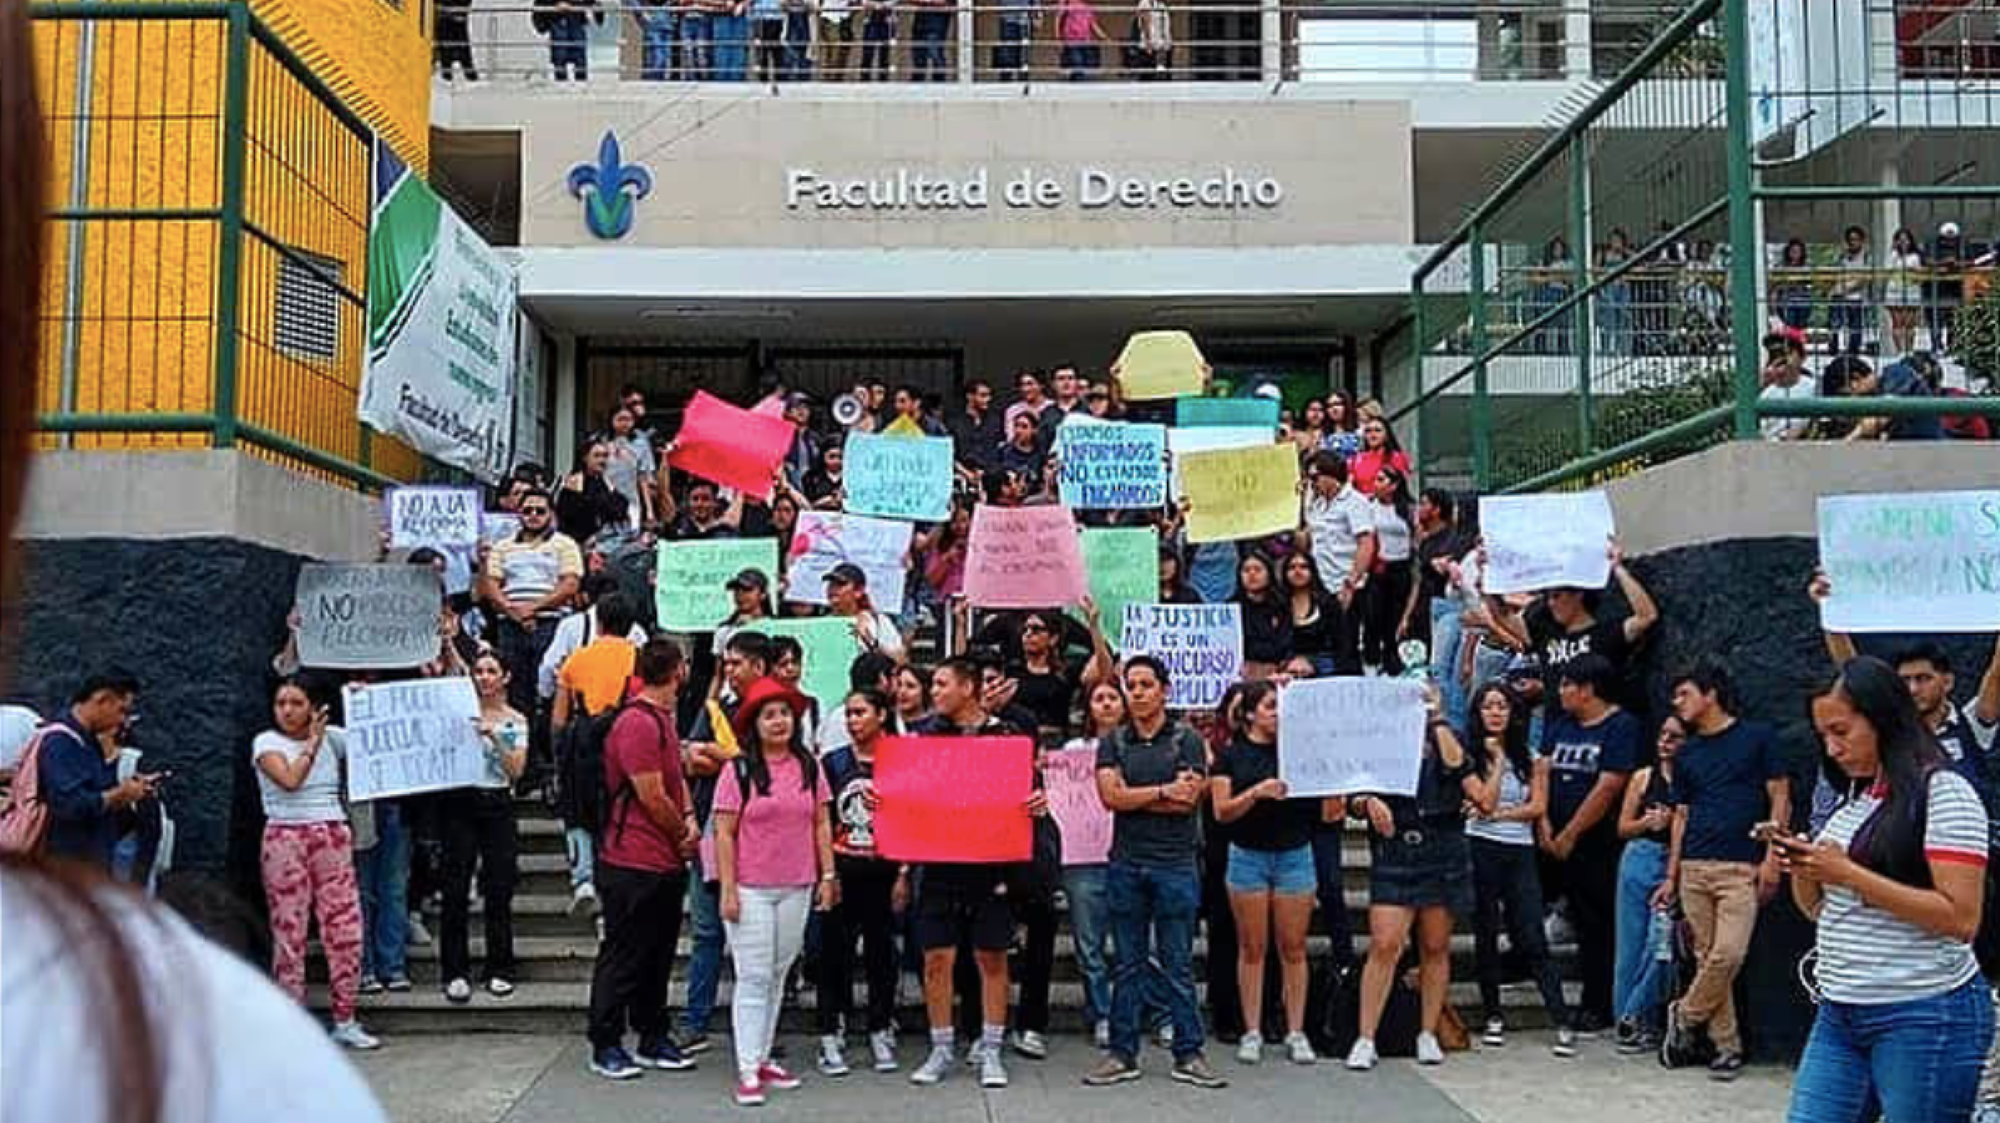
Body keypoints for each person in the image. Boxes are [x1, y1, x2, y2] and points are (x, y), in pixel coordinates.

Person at [1783, 657, 1991, 1122]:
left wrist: (1848, 873)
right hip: (1842, 1008)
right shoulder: (1854, 802)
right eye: (1823, 737)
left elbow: (1961, 918)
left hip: (1924, 1013)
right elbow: (1818, 911)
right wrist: (1804, 866)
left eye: (1841, 731)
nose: (1833, 749)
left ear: (1883, 720)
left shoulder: (1946, 795)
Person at [1083, 657, 1227, 1089]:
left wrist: (1137, 796)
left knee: (1177, 964)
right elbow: (1110, 798)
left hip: (1176, 864)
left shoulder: (1187, 739)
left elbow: (1189, 801)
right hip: (1126, 862)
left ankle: (1189, 1052)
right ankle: (1122, 1053)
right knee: (1127, 964)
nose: (1139, 692)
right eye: (1132, 685)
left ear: (1165, 690)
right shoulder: (1114, 742)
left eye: (1147, 684)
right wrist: (1163, 791)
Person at [907, 658, 1043, 1089]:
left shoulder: (1006, 737)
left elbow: (1029, 792)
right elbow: (908, 793)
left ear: (968, 688)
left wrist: (1037, 803)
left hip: (992, 868)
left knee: (991, 958)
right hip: (939, 866)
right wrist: (884, 797)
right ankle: (941, 1046)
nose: (935, 691)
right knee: (936, 959)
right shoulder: (923, 737)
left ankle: (990, 1048)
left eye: (943, 683)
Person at [1653, 659, 1790, 1080]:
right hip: (1694, 864)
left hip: (1740, 865)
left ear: (1710, 694)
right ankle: (1727, 1046)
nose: (1678, 703)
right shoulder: (1689, 752)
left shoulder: (1757, 738)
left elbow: (1780, 797)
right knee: (1707, 955)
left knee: (1728, 953)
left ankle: (1686, 1015)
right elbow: (1681, 815)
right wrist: (1672, 875)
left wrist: (1772, 858)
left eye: (1685, 693)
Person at [714, 675, 835, 1107]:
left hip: (798, 883)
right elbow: (723, 833)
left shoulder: (809, 766)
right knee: (753, 975)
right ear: (754, 724)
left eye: (785, 712)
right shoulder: (737, 769)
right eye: (769, 714)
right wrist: (727, 888)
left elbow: (821, 821)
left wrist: (828, 875)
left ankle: (763, 1056)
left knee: (780, 974)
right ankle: (747, 1067)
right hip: (750, 888)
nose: (779, 721)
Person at [1345, 682, 1478, 1071]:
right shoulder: (1378, 741)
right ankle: (1365, 1037)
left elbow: (1459, 768)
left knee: (1435, 945)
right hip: (1397, 847)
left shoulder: (1445, 737)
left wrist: (1436, 719)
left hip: (1441, 845)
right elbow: (1351, 795)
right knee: (1385, 943)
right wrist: (1367, 801)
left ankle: (1427, 1031)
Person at [585, 639, 700, 1080]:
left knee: (657, 953)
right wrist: (682, 833)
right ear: (678, 671)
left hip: (663, 859)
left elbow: (676, 778)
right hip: (631, 857)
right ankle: (606, 1041)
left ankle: (653, 1034)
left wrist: (688, 818)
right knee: (624, 952)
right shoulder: (636, 723)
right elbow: (651, 793)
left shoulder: (663, 720)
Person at [254, 679, 377, 1050]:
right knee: (289, 930)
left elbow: (374, 740)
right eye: (281, 703)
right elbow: (290, 779)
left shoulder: (335, 738)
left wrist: (360, 700)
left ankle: (345, 1017)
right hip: (284, 835)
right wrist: (314, 742)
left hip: (331, 832)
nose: (287, 710)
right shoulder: (266, 743)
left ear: (313, 706)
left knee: (344, 927)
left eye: (296, 702)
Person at [1209, 680, 1320, 1065]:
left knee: (1293, 947)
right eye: (1271, 706)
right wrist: (1256, 793)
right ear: (1251, 713)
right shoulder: (1230, 755)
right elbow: (1221, 811)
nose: (1278, 713)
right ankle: (1252, 1029)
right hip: (1247, 855)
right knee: (1252, 947)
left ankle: (1296, 1029)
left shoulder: (1301, 750)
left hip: (1294, 853)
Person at [1463, 681, 1575, 1055]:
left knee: (1530, 931)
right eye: (1487, 706)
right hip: (1480, 845)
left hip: (1519, 848)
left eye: (1502, 706)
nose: (1495, 713)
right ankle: (1493, 1014)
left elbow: (1537, 806)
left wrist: (1500, 813)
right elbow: (1480, 801)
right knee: (1485, 931)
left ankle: (1560, 1017)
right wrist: (1495, 763)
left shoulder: (1533, 758)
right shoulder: (1469, 757)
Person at [677, 631, 773, 1054]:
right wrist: (718, 755)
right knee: (706, 930)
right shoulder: (716, 709)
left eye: (736, 663)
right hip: (713, 830)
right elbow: (690, 758)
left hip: (763, 837)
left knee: (759, 937)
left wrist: (719, 756)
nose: (728, 671)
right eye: (727, 664)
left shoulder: (779, 711)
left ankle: (758, 1026)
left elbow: (769, 764)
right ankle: (695, 1019)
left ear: (759, 667)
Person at [1538, 653, 1641, 1033]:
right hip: (1550, 833)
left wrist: (1571, 833)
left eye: (1568, 684)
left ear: (1589, 689)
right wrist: (1544, 823)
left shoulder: (1620, 726)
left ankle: (1597, 1002)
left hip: (1595, 841)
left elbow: (1609, 785)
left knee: (1596, 926)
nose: (1561, 691)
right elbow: (1542, 771)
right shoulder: (1559, 724)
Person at [816, 689, 903, 1077]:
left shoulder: (901, 761)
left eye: (860, 713)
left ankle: (881, 1026)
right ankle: (831, 1030)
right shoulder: (833, 763)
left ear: (882, 715)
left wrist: (905, 873)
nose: (853, 721)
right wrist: (827, 873)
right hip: (844, 868)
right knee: (834, 954)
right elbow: (821, 821)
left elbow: (913, 820)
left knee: (882, 955)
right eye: (848, 714)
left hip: (884, 870)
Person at [434, 653, 528, 1005]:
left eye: (491, 671)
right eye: (479, 671)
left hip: (498, 802)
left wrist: (496, 739)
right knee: (455, 888)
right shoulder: (459, 715)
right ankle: (455, 971)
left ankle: (500, 968)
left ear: (505, 677)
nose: (484, 677)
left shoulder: (515, 720)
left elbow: (517, 770)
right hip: (461, 800)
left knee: (499, 886)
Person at [1612, 714, 1685, 1054]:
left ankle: (1636, 1014)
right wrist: (1647, 821)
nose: (1665, 743)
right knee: (1631, 944)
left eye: (1674, 737)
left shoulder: (1690, 781)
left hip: (1674, 860)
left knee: (1661, 945)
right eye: (1662, 735)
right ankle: (1626, 1022)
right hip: (1640, 855)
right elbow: (1622, 827)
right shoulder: (1644, 777)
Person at [32, 669, 155, 869]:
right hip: (66, 869)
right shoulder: (60, 742)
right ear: (101, 699)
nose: (123, 721)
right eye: (121, 710)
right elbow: (69, 805)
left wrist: (130, 794)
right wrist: (119, 794)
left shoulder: (88, 741)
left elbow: (97, 799)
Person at [1299, 450, 1373, 675]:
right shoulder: (1317, 504)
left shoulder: (1354, 502)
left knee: (1347, 646)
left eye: (1316, 477)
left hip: (1345, 582)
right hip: (1321, 583)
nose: (1313, 483)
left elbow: (1366, 543)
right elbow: (1306, 540)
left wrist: (1351, 582)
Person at [1364, 465, 1417, 675]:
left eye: (1381, 480)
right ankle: (1371, 660)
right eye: (1375, 479)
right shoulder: (1369, 506)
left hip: (1402, 567)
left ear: (1394, 486)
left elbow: (1416, 538)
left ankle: (1393, 663)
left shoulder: (1408, 509)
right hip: (1379, 567)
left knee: (1394, 618)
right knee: (1373, 615)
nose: (1376, 484)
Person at [822, 563, 906, 663]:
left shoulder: (878, 621)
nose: (833, 589)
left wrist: (869, 640)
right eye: (831, 584)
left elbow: (900, 659)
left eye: (840, 584)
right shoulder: (822, 625)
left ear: (858, 591)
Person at [1232, 553, 1292, 682]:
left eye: (1258, 570)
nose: (1252, 574)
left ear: (1269, 573)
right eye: (1246, 570)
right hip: (1242, 673)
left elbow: (1285, 642)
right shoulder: (1231, 608)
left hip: (1278, 672)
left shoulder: (1282, 605)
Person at [603, 406, 658, 531]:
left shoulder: (641, 444)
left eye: (628, 419)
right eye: (620, 419)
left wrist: (649, 510)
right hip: (605, 499)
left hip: (631, 500)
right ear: (611, 420)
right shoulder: (602, 442)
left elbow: (643, 478)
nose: (624, 423)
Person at [1759, 326, 1816, 441]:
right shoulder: (1765, 392)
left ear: (1802, 357)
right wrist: (1763, 383)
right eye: (1774, 354)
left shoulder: (1813, 386)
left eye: (1785, 352)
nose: (1779, 358)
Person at [533, 0, 603, 79]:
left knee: (580, 60)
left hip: (576, 22)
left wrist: (594, 7)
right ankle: (561, 84)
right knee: (560, 58)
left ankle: (581, 84)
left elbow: (592, 3)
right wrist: (556, 5)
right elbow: (540, 6)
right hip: (558, 22)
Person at [1884, 226, 1925, 356]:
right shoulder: (1892, 255)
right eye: (1900, 240)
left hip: (1911, 290)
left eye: (1905, 240)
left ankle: (1909, 350)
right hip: (1894, 290)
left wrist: (1913, 271)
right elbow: (1887, 270)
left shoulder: (1915, 256)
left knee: (1909, 324)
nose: (1903, 243)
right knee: (1897, 323)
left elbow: (1919, 273)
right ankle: (1899, 351)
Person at [1349, 416, 1410, 495]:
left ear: (1386, 435)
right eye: (1368, 431)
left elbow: (1400, 487)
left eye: (1377, 430)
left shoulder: (1396, 458)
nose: (1372, 434)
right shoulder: (1356, 459)